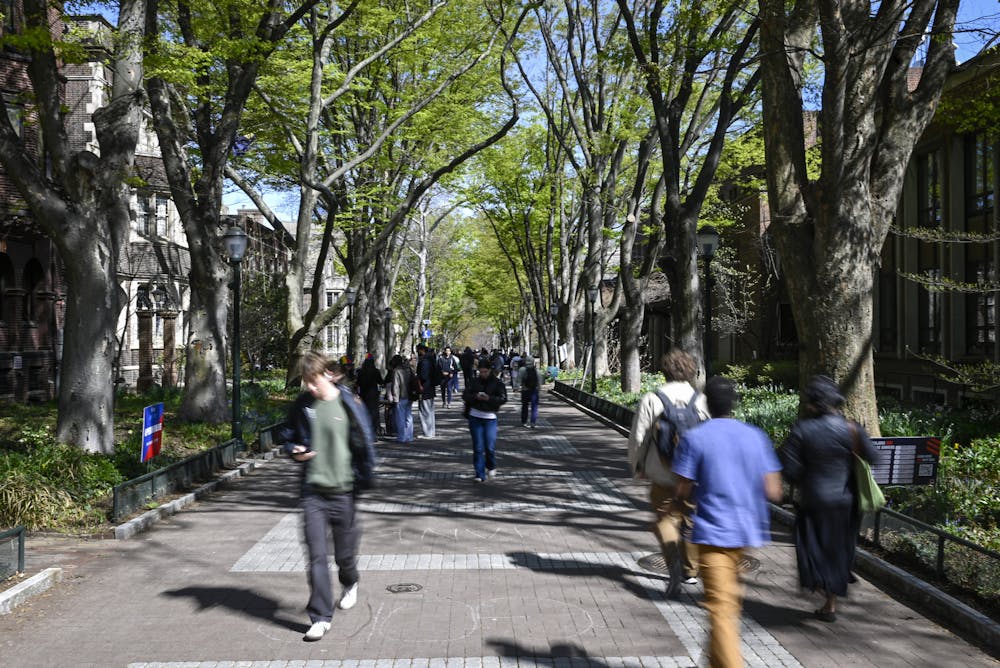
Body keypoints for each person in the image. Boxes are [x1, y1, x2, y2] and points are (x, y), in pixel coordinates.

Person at [672, 376, 783, 668]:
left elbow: (682, 487)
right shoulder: (755, 436)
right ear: (734, 403)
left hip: (712, 533)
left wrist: (681, 500)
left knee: (721, 611)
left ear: (707, 403)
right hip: (746, 532)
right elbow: (774, 490)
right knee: (726, 605)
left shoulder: (695, 438)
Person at [280, 352, 377, 642]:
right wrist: (295, 451)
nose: (309, 387)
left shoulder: (349, 403)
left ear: (328, 374)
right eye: (306, 382)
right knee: (316, 555)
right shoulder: (303, 406)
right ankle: (320, 617)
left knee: (344, 555)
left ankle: (350, 581)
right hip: (313, 493)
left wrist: (366, 477)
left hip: (344, 491)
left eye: (313, 380)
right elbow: (287, 435)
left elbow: (365, 442)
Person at [778, 375, 880, 623]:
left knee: (811, 551)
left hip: (813, 502)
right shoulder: (852, 429)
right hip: (847, 502)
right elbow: (873, 456)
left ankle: (826, 591)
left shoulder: (801, 430)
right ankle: (830, 603)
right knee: (838, 550)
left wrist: (803, 476)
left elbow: (788, 469)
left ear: (812, 404)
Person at [627, 349, 709, 597]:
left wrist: (637, 466)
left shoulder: (653, 399)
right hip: (694, 475)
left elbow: (638, 438)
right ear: (689, 371)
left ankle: (672, 563)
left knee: (665, 520)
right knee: (691, 521)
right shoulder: (701, 400)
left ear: (665, 373)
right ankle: (691, 571)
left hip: (662, 471)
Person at [461, 357, 507, 482]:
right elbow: (465, 395)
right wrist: (475, 396)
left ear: (490, 370)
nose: (483, 374)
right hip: (475, 416)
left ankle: (491, 465)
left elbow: (503, 398)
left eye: (485, 371)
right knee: (478, 447)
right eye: (481, 371)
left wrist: (489, 398)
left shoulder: (497, 383)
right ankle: (479, 473)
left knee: (490, 447)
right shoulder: (474, 382)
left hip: (490, 418)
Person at [386, 354, 414, 443]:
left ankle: (401, 437)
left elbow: (395, 386)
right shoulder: (408, 369)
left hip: (401, 396)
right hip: (410, 395)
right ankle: (409, 436)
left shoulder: (396, 371)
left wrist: (395, 398)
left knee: (400, 417)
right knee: (408, 416)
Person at [355, 354, 383, 437]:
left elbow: (358, 383)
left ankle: (366, 433)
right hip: (374, 395)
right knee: (374, 414)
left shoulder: (360, 371)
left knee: (365, 413)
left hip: (364, 395)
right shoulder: (376, 371)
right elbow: (381, 382)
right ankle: (374, 434)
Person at [415, 344, 436, 438]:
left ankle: (427, 432)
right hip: (430, 388)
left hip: (425, 389)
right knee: (429, 411)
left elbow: (423, 376)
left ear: (421, 350)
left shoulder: (425, 361)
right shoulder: (431, 359)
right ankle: (431, 431)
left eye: (418, 350)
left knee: (425, 411)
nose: (417, 352)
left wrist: (417, 379)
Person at [518, 356, 540, 428]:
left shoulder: (522, 369)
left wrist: (517, 387)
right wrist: (538, 389)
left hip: (525, 390)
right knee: (534, 407)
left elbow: (518, 380)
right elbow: (539, 382)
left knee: (524, 406)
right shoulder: (537, 371)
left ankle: (524, 422)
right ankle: (533, 422)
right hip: (534, 390)